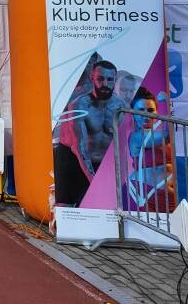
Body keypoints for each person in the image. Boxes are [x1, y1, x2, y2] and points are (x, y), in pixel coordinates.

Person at [53, 59, 122, 206]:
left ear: (115, 80)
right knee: (66, 209)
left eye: (110, 79)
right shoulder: (79, 105)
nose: (105, 84)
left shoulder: (121, 107)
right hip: (73, 157)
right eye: (100, 79)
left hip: (101, 161)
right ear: (92, 78)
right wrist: (95, 182)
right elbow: (80, 147)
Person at [125, 87, 176, 212]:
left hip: (167, 197)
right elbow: (166, 136)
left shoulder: (157, 134)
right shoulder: (136, 137)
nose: (146, 115)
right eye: (141, 110)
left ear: (156, 113)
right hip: (143, 194)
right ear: (133, 113)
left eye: (150, 110)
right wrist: (167, 103)